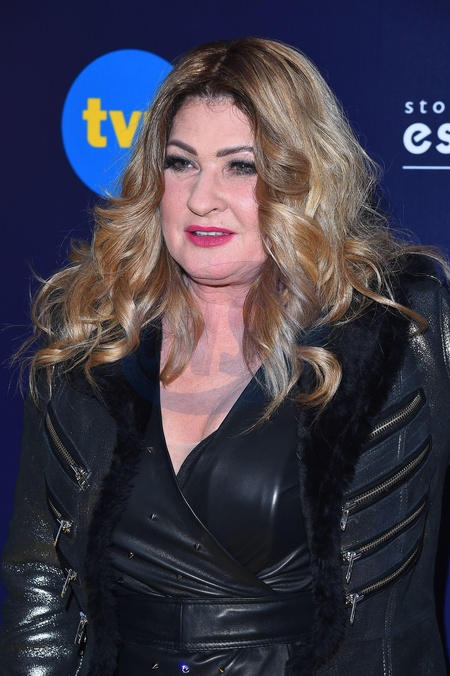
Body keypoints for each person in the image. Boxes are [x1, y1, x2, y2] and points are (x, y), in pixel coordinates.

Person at [1, 37, 449, 676]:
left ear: (301, 177)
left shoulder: (399, 330)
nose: (201, 197)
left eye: (241, 166)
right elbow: (39, 584)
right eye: (181, 163)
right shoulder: (90, 339)